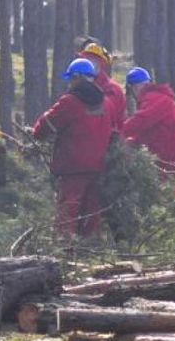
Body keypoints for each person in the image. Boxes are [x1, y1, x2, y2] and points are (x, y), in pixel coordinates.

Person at [31, 57, 114, 241]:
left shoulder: (69, 102)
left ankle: (63, 254)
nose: (70, 83)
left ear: (76, 78)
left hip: (72, 168)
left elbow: (43, 127)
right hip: (98, 167)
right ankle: (90, 251)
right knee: (91, 216)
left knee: (66, 216)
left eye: (71, 79)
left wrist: (36, 133)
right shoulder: (106, 103)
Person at [121, 67, 175, 176]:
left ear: (135, 87)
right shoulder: (156, 98)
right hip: (170, 154)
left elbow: (140, 122)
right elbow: (149, 130)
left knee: (172, 190)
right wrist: (134, 141)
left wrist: (117, 134)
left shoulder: (155, 99)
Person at [77, 39, 125, 129]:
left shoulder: (112, 89)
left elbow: (105, 115)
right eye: (87, 59)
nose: (90, 63)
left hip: (110, 137)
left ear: (101, 63)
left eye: (93, 60)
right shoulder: (78, 85)